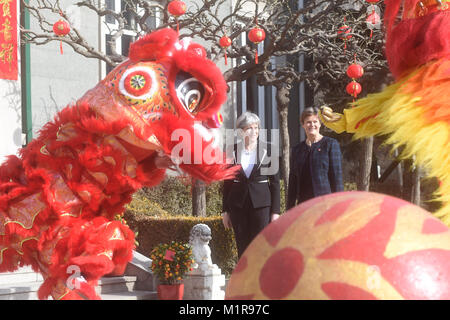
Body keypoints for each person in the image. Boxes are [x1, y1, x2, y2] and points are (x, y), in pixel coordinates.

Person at [222, 112, 280, 258]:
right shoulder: (231, 149)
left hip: (261, 206)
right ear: (241, 131)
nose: (254, 131)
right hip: (237, 205)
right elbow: (227, 182)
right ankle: (243, 280)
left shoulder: (269, 149)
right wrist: (225, 211)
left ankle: (260, 279)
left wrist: (275, 212)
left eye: (256, 128)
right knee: (242, 246)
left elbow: (274, 183)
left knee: (260, 246)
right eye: (249, 128)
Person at [287, 107, 344, 210]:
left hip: (325, 206)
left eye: (315, 122)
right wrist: (289, 209)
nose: (312, 125)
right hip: (304, 206)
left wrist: (338, 207)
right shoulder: (297, 150)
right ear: (303, 125)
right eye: (308, 122)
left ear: (320, 124)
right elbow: (293, 182)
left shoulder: (330, 145)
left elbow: (337, 179)